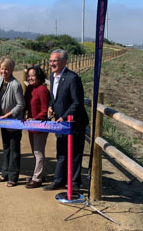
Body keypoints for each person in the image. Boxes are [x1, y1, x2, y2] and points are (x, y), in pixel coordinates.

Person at [44, 49, 89, 191]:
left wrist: (64, 116)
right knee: (61, 152)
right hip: (60, 124)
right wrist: (51, 107)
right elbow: (54, 97)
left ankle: (75, 184)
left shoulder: (73, 78)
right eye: (50, 61)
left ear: (64, 62)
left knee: (75, 154)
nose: (52, 64)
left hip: (74, 123)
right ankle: (59, 180)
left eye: (55, 61)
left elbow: (77, 102)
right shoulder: (52, 76)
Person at [0, 57, 25, 187]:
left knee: (14, 149)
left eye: (6, 69)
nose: (4, 71)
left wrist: (8, 114)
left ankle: (13, 177)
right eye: (2, 69)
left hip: (13, 121)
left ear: (12, 70)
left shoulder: (16, 85)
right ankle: (5, 173)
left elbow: (21, 104)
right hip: (3, 120)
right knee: (6, 147)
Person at [24, 65, 50, 189]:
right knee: (35, 151)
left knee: (38, 152)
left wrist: (35, 119)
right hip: (31, 124)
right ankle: (39, 174)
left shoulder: (43, 90)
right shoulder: (29, 89)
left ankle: (37, 178)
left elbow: (44, 110)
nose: (30, 78)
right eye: (29, 76)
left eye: (33, 75)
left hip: (40, 124)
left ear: (39, 76)